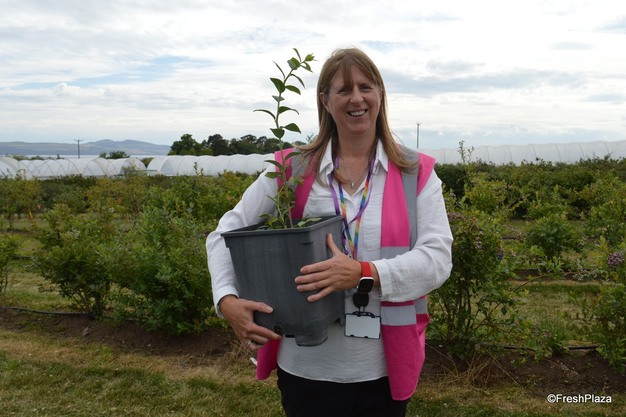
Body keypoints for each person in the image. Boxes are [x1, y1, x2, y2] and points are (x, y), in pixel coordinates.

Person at [206, 47, 453, 417]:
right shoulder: (290, 170)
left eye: (365, 87)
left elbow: (437, 259)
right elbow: (224, 234)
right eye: (344, 89)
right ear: (325, 100)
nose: (357, 98)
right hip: (306, 369)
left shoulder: (415, 173)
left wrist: (364, 273)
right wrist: (227, 300)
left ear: (380, 94)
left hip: (382, 370)